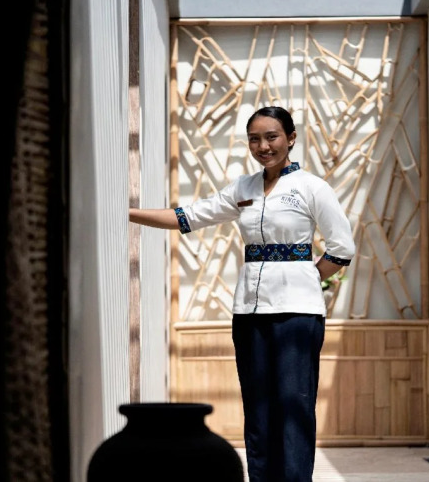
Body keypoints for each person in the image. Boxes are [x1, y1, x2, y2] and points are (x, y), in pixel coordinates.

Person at [129, 106, 355, 482]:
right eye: (255, 139)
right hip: (249, 313)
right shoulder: (243, 189)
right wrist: (128, 212)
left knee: (294, 406)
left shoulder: (313, 188)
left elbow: (342, 248)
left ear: (291, 139)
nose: (263, 146)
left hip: (297, 315)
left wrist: (308, 276)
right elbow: (189, 217)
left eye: (272, 137)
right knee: (258, 406)